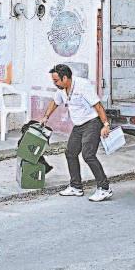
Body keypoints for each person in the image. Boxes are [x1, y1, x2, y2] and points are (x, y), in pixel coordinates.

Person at [39, 64, 113, 202]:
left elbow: (98, 105)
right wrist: (46, 117)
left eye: (56, 80)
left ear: (65, 78)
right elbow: (54, 102)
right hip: (78, 125)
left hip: (92, 122)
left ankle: (104, 188)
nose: (54, 83)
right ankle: (76, 186)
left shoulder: (82, 86)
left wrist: (105, 125)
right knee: (70, 153)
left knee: (88, 155)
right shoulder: (61, 89)